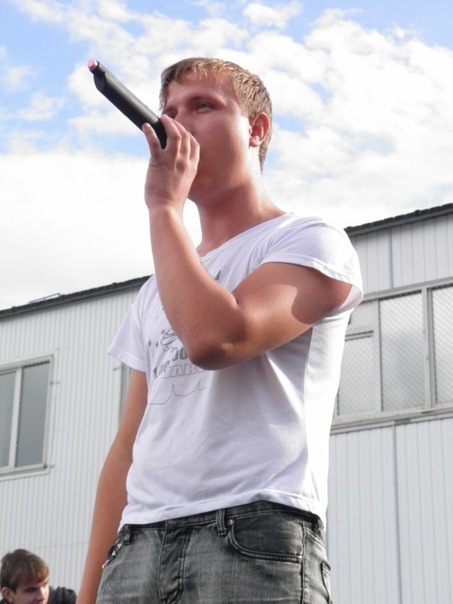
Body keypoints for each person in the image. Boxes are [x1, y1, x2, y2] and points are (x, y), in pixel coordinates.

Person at [78, 57, 362, 603]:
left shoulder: (310, 240)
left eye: (202, 106)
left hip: (250, 536)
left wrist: (164, 208)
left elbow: (217, 338)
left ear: (256, 129)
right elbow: (127, 448)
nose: (176, 124)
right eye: (169, 111)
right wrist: (88, 593)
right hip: (136, 549)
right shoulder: (155, 289)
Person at [0, 549, 76, 604]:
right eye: (31, 590)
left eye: (45, 585)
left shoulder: (63, 600)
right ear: (8, 594)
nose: (42, 596)